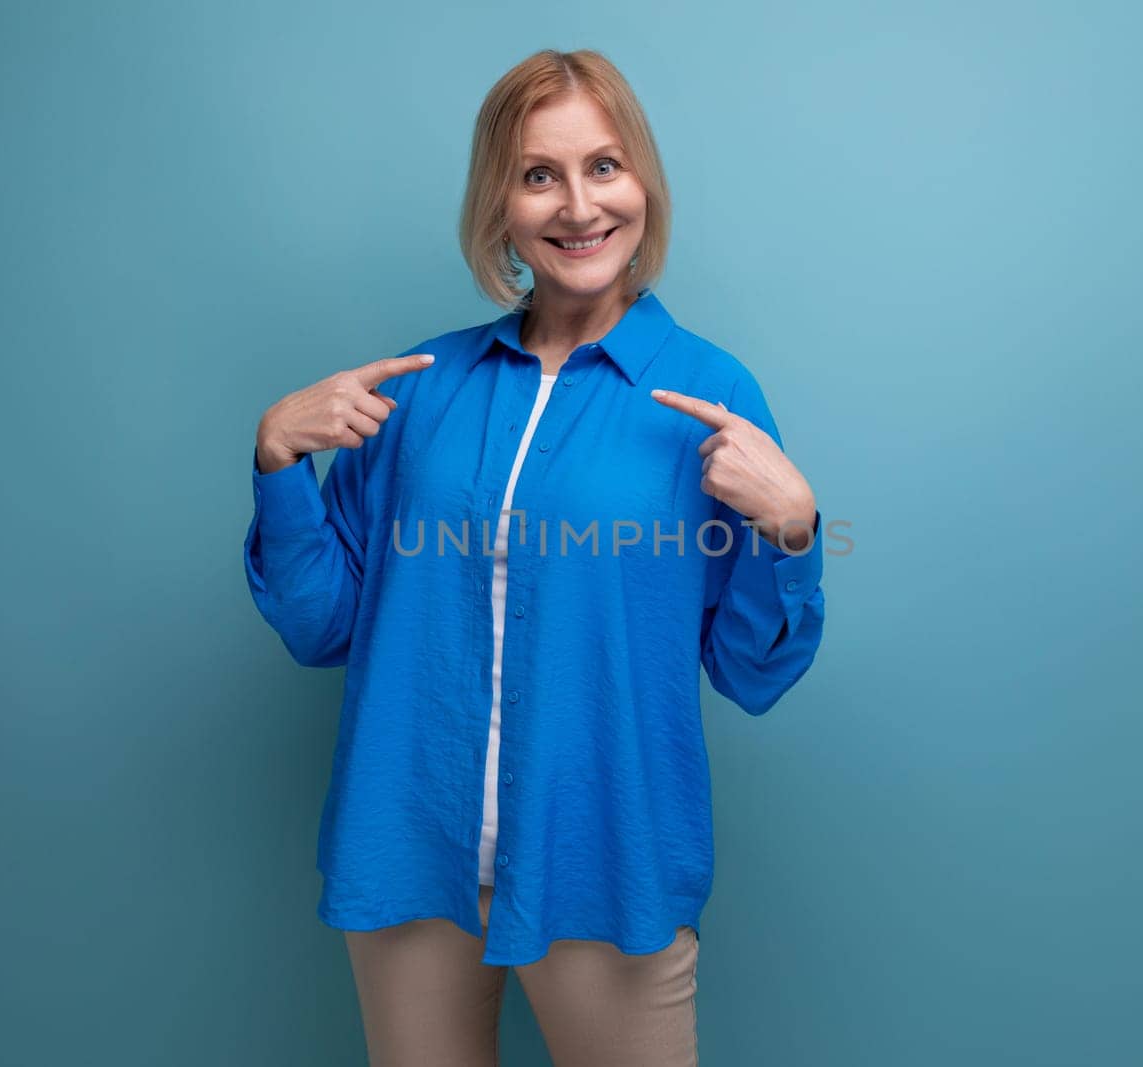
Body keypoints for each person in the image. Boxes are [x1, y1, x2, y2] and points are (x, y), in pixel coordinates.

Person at [243, 47, 826, 1067]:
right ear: (499, 202)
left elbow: (753, 671)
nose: (577, 205)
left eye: (603, 165)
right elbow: (321, 626)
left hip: (607, 860)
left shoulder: (706, 394)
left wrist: (791, 531)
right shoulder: (422, 385)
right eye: (537, 173)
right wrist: (279, 458)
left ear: (642, 182)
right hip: (409, 849)